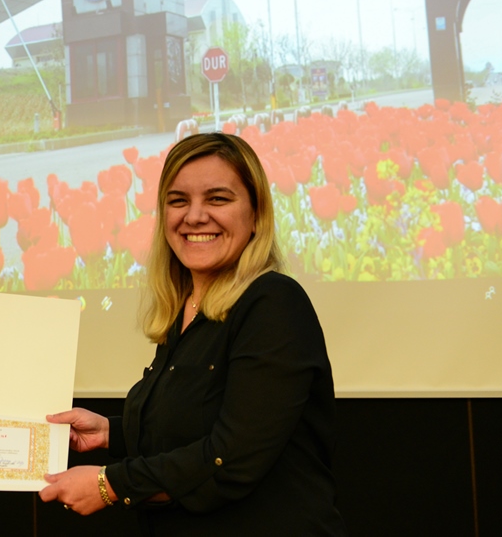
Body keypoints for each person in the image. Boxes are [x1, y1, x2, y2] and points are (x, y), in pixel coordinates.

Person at [39, 132, 346, 535]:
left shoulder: (273, 303)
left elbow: (231, 459)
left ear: (256, 215)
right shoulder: (183, 310)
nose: (195, 216)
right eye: (178, 200)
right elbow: (192, 423)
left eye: (217, 199)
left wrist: (109, 485)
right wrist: (110, 433)